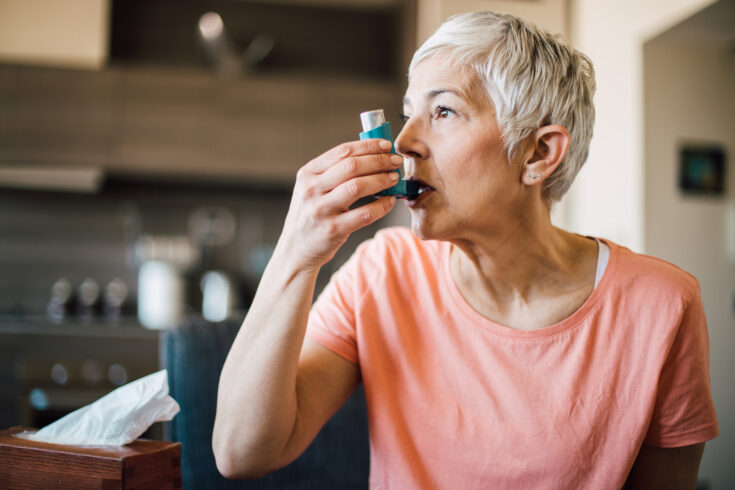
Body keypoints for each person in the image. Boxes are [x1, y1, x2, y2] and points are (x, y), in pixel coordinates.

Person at [212, 11, 719, 489]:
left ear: (538, 153)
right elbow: (242, 453)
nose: (404, 142)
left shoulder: (663, 304)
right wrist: (295, 255)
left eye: (444, 110)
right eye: (410, 113)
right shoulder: (381, 272)